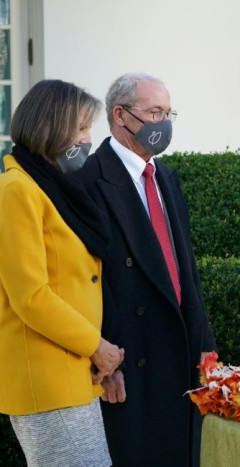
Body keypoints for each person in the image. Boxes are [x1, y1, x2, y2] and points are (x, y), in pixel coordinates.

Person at [76, 73, 216, 466]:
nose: (164, 123)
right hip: (128, 358)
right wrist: (104, 361)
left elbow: (185, 270)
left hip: (180, 351)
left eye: (168, 112)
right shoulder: (89, 180)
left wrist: (205, 345)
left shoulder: (166, 177)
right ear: (120, 115)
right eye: (154, 112)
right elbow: (91, 281)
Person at [0, 79, 124, 466]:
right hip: (47, 379)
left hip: (72, 375)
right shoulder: (17, 189)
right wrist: (97, 347)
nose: (89, 139)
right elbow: (30, 296)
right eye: (82, 128)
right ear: (52, 127)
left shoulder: (52, 185)